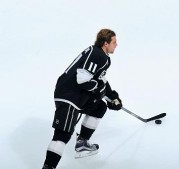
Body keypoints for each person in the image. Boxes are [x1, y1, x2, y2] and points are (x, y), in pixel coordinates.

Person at [42, 28, 123, 169]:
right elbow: (83, 80)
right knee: (63, 134)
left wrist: (112, 98)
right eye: (114, 42)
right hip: (69, 95)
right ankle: (48, 167)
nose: (116, 45)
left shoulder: (101, 56)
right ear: (105, 43)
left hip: (77, 95)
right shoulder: (97, 55)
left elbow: (100, 79)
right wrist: (100, 91)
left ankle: (82, 144)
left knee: (99, 107)